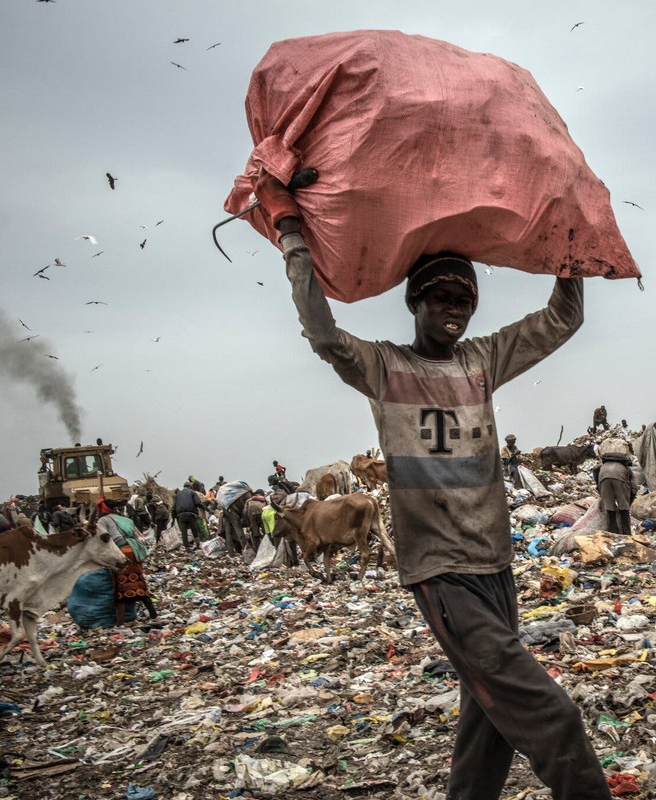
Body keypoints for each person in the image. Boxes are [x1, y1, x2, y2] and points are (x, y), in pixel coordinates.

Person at [259, 171, 609, 799]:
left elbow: (562, 319)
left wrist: (569, 249)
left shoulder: (483, 361)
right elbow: (322, 332)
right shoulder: (387, 368)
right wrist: (292, 237)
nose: (454, 309)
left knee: (491, 723)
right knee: (553, 717)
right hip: (443, 574)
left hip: (497, 567)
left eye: (464, 300)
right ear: (414, 303)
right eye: (441, 297)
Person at [96, 499, 156, 624]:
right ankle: (153, 614)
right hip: (134, 550)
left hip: (121, 553)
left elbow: (104, 537)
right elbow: (138, 536)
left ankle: (120, 622)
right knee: (139, 581)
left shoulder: (103, 520)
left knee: (120, 586)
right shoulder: (126, 519)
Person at [595, 447, 634, 535]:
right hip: (619, 478)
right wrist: (628, 503)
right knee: (624, 508)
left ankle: (613, 533)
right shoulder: (627, 468)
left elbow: (595, 470)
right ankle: (627, 533)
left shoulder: (603, 465)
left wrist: (599, 487)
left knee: (609, 507)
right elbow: (634, 487)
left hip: (603, 477)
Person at [172, 483, 206, 551]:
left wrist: (173, 519)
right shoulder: (192, 492)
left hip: (180, 515)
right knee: (194, 530)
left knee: (184, 532)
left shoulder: (177, 495)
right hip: (191, 514)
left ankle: (187, 548)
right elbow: (198, 503)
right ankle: (198, 545)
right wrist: (205, 508)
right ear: (190, 487)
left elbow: (173, 508)